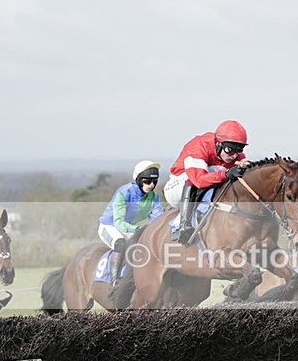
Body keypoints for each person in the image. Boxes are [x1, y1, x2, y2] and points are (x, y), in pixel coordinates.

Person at [163, 120, 251, 244]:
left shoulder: (234, 154)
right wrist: (225, 174)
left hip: (205, 187)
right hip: (178, 187)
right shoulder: (198, 147)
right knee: (194, 179)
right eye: (230, 150)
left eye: (239, 150)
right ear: (218, 144)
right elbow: (199, 181)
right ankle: (183, 225)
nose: (233, 156)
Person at [98, 160, 164, 288]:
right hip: (110, 226)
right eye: (147, 181)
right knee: (120, 244)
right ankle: (114, 282)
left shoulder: (154, 197)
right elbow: (118, 222)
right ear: (138, 179)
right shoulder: (124, 192)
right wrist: (137, 229)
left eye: (154, 181)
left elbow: (157, 221)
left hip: (127, 228)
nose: (151, 185)